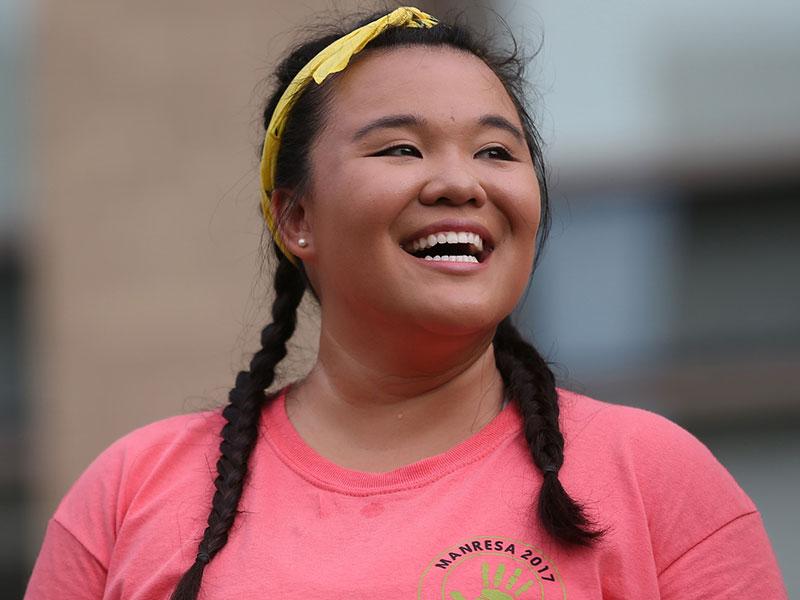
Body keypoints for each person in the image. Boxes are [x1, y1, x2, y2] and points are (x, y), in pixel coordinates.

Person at [26, 6, 787, 599]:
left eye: (497, 151)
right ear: (296, 219)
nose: (462, 183)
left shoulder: (656, 479)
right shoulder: (132, 492)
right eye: (401, 148)